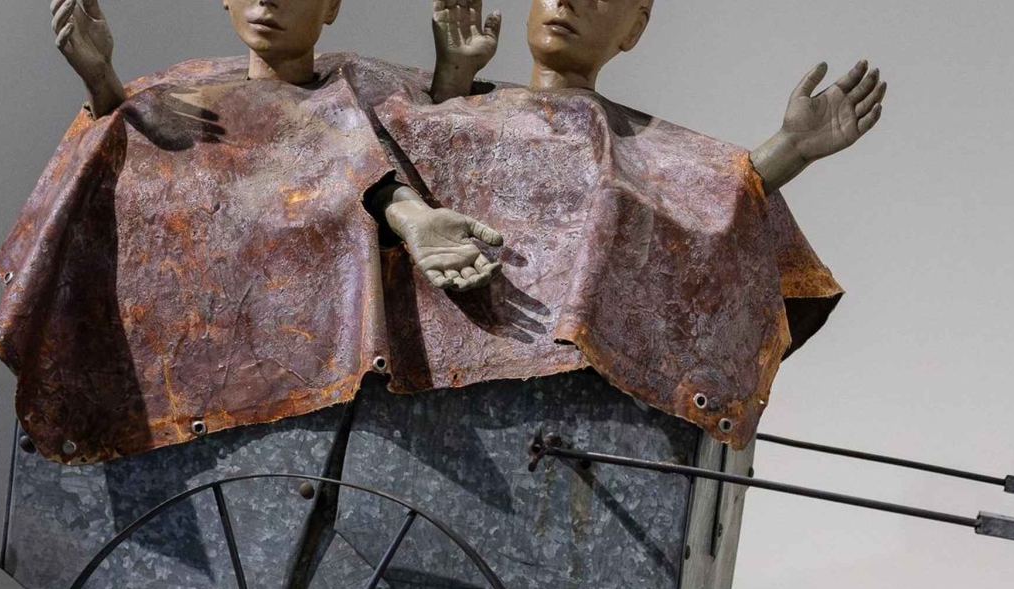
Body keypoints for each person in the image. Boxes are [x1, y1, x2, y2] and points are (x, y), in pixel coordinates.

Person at [0, 0, 507, 463]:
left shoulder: (356, 87)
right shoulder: (178, 93)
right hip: (187, 355)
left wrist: (452, 82)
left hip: (317, 361)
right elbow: (127, 167)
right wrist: (101, 83)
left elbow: (368, 158)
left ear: (330, 7)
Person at [375, 0, 882, 448]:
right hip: (422, 383)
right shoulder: (467, 102)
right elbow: (392, 162)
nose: (566, 2)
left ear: (634, 28)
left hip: (582, 400)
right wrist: (452, 83)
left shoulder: (636, 146)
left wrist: (790, 148)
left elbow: (701, 196)